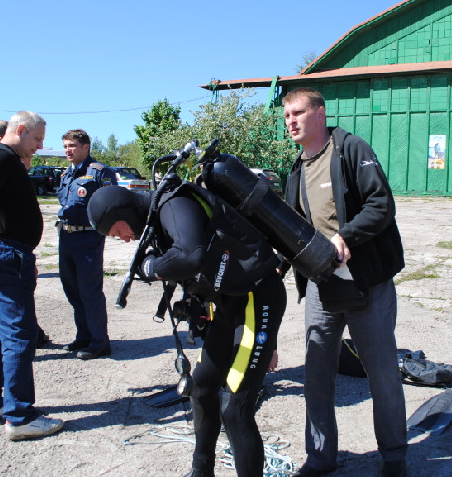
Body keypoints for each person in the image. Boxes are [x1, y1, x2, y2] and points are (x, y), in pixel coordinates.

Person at [87, 183, 286, 477]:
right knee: (203, 388)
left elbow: (190, 256)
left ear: (122, 211)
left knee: (235, 408)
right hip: (231, 301)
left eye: (118, 231)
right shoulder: (158, 219)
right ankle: (201, 471)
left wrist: (151, 267)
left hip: (257, 297)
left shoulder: (172, 202)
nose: (125, 239)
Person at [281, 87, 407, 477]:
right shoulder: (297, 170)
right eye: (287, 117)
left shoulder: (350, 149)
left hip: (366, 282)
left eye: (298, 113)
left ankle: (394, 458)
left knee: (382, 373)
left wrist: (345, 238)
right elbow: (291, 232)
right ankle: (320, 458)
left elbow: (381, 204)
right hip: (321, 286)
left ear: (319, 113)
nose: (291, 122)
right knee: (316, 375)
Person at [0, 111, 64, 441]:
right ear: (19, 130)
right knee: (19, 333)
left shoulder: (3, 158)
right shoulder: (2, 155)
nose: (40, 146)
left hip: (1, 252)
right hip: (3, 253)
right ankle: (20, 416)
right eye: (36, 139)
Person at [56, 129, 116, 360]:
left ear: (85, 147)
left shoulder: (99, 173)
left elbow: (112, 204)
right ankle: (84, 336)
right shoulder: (66, 175)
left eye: (72, 145)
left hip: (88, 239)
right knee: (72, 290)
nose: (67, 150)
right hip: (66, 237)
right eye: (65, 146)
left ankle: (100, 342)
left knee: (89, 292)